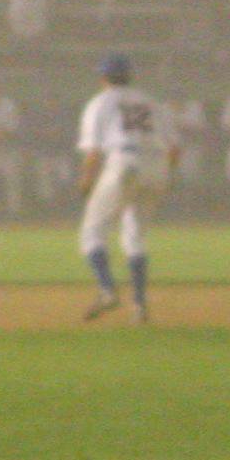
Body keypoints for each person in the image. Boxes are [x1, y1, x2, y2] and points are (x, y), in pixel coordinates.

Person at [74, 54, 176, 321]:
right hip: (156, 167)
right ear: (129, 76)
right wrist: (164, 177)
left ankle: (107, 290)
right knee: (134, 238)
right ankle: (139, 306)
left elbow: (94, 151)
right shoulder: (151, 101)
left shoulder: (100, 102)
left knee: (92, 233)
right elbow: (174, 147)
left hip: (124, 162)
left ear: (103, 77)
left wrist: (86, 180)